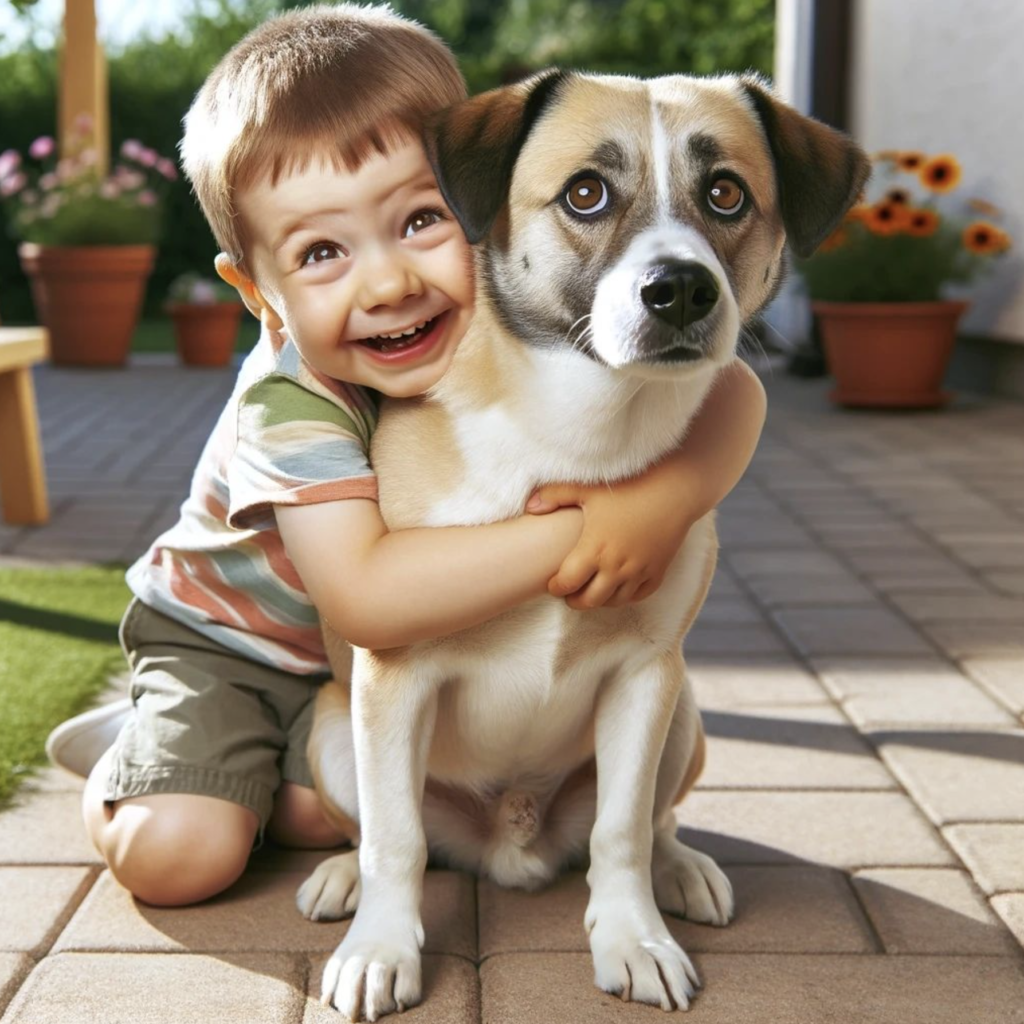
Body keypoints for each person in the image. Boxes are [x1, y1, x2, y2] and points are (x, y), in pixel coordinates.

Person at [47, 3, 767, 908]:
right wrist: (594, 529)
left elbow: (733, 390)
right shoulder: (290, 402)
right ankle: (139, 752)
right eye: (320, 251)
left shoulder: (474, 327)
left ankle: (266, 765)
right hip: (231, 643)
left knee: (318, 810)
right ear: (258, 294)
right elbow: (371, 601)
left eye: (422, 220)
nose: (387, 282)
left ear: (483, 201)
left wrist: (664, 502)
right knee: (183, 856)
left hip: (343, 677)